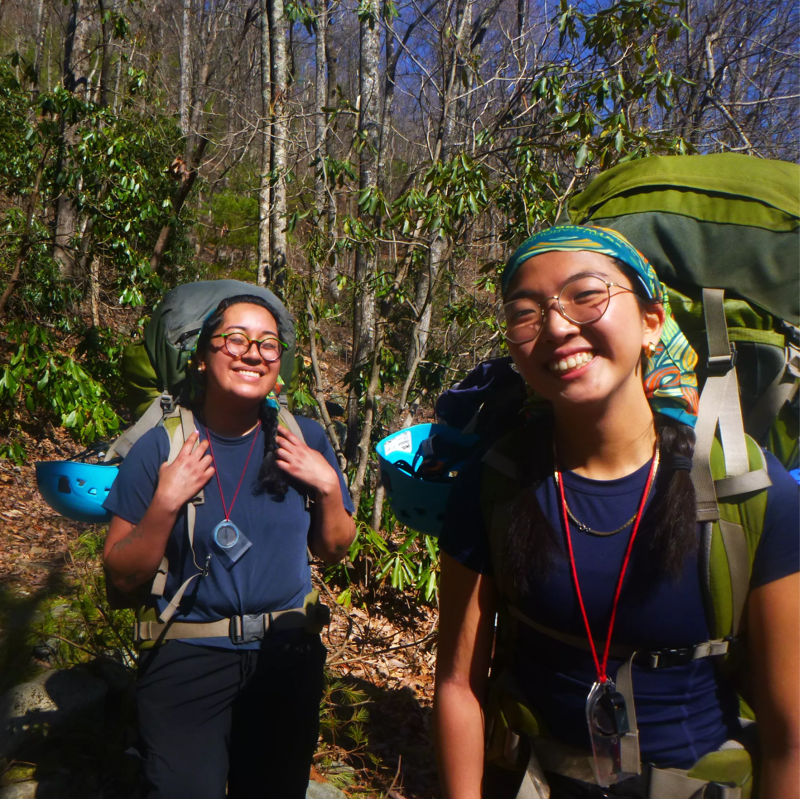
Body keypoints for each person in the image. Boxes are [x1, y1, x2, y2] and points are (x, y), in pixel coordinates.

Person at [432, 226, 800, 799]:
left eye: (587, 296)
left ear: (652, 321)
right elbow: (459, 684)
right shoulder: (497, 484)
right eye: (525, 312)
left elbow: (788, 735)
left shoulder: (746, 490)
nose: (556, 326)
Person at [102, 293, 356, 799]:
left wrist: (328, 486)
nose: (252, 353)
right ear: (202, 356)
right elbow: (120, 575)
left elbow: (334, 548)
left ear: (279, 364)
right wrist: (164, 504)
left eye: (267, 344)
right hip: (188, 656)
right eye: (234, 339)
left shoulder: (301, 440)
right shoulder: (160, 447)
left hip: (286, 654)